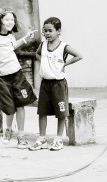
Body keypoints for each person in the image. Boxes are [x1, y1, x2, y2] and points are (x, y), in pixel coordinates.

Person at [0, 8, 37, 149]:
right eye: (7, 19)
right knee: (9, 108)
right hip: (0, 77)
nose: (10, 22)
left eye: (12, 20)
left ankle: (21, 136)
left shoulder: (10, 36)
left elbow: (13, 46)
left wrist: (26, 38)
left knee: (20, 104)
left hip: (16, 74)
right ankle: (7, 130)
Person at [29, 17, 82, 151]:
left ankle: (58, 139)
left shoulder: (64, 46)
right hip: (45, 84)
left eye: (50, 31)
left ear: (58, 31)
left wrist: (65, 64)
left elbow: (79, 55)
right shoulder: (43, 45)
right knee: (42, 112)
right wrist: (44, 63)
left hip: (58, 84)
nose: (47, 33)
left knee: (61, 112)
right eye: (45, 31)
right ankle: (41, 139)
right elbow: (37, 54)